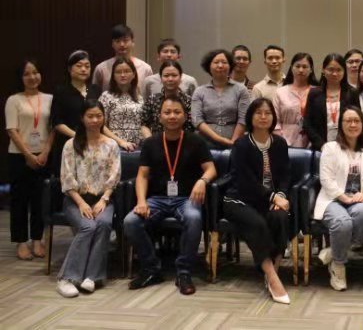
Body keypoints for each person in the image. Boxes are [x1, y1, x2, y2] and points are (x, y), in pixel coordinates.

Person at [124, 97, 217, 295]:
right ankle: (151, 269)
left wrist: (202, 181)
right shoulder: (151, 143)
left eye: (177, 112)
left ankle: (184, 272)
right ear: (160, 117)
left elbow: (211, 169)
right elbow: (142, 175)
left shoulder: (196, 141)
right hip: (157, 199)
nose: (172, 116)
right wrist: (141, 201)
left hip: (186, 198)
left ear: (185, 116)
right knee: (131, 221)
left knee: (194, 218)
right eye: (167, 112)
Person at [223, 98, 291, 304]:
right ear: (250, 117)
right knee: (258, 223)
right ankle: (271, 276)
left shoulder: (280, 143)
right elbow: (245, 182)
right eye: (258, 113)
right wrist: (273, 197)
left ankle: (273, 269)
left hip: (270, 200)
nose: (263, 117)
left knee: (281, 217)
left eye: (267, 113)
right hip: (239, 199)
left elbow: (286, 175)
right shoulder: (242, 144)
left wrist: (281, 196)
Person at [56, 100, 120, 298]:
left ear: (104, 118)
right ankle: (67, 278)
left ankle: (92, 276)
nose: (94, 120)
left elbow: (114, 176)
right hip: (76, 199)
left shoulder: (111, 144)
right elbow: (67, 178)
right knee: (87, 226)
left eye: (98, 116)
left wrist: (104, 199)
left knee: (103, 223)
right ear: (82, 118)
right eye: (90, 116)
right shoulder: (71, 144)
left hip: (103, 199)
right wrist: (81, 203)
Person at [314, 106, 363, 291]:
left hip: (357, 199)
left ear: (362, 125)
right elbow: (326, 179)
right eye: (348, 121)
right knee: (342, 223)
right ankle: (338, 266)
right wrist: (343, 197)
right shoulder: (330, 148)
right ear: (340, 125)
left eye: (357, 121)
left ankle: (332, 252)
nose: (353, 124)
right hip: (332, 199)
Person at [6, 58, 53, 261]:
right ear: (21, 78)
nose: (32, 77)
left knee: (40, 200)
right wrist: (27, 155)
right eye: (27, 74)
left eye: (35, 72)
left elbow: (53, 128)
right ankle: (21, 242)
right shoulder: (13, 100)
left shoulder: (50, 98)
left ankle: (37, 239)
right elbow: (12, 130)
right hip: (19, 156)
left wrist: (45, 152)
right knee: (19, 200)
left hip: (44, 155)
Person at [51, 51, 102, 174]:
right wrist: (78, 137)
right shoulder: (61, 91)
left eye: (87, 66)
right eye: (79, 66)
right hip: (68, 143)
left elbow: (100, 117)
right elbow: (57, 122)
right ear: (70, 69)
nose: (83, 69)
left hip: (94, 144)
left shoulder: (95, 90)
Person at [192, 49, 250, 149]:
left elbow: (243, 118)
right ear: (209, 66)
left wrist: (233, 142)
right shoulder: (199, 91)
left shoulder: (241, 89)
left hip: (235, 143)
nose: (220, 65)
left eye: (224, 62)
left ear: (230, 66)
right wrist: (220, 139)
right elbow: (197, 120)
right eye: (216, 62)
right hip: (205, 143)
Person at [304, 53, 360, 151]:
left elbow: (357, 121)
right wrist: (322, 145)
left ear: (344, 71)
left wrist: (346, 143)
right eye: (331, 69)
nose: (334, 73)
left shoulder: (352, 93)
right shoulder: (314, 93)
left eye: (339, 70)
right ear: (323, 70)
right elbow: (307, 124)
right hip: (320, 149)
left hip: (346, 147)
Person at [273, 52, 318, 148]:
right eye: (297, 66)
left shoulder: (317, 92)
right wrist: (281, 141)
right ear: (291, 68)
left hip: (312, 143)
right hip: (285, 141)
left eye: (305, 67)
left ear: (311, 70)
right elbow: (275, 122)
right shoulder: (280, 92)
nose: (301, 70)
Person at [99, 57, 144, 151]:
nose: (123, 75)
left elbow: (143, 124)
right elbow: (101, 125)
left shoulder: (139, 97)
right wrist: (121, 142)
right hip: (114, 146)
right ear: (113, 76)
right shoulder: (106, 96)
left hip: (138, 147)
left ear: (134, 74)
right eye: (118, 72)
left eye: (127, 71)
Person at [92, 24, 152, 93]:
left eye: (125, 40)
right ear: (112, 44)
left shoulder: (145, 68)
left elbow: (150, 95)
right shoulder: (101, 68)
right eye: (117, 41)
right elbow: (94, 95)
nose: (122, 44)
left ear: (133, 42)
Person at [141, 61, 194, 137]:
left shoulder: (189, 101)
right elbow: (144, 124)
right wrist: (151, 141)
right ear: (161, 78)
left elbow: (192, 127)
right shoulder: (152, 100)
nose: (170, 79)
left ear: (180, 77)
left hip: (184, 141)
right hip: (157, 141)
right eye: (166, 76)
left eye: (174, 75)